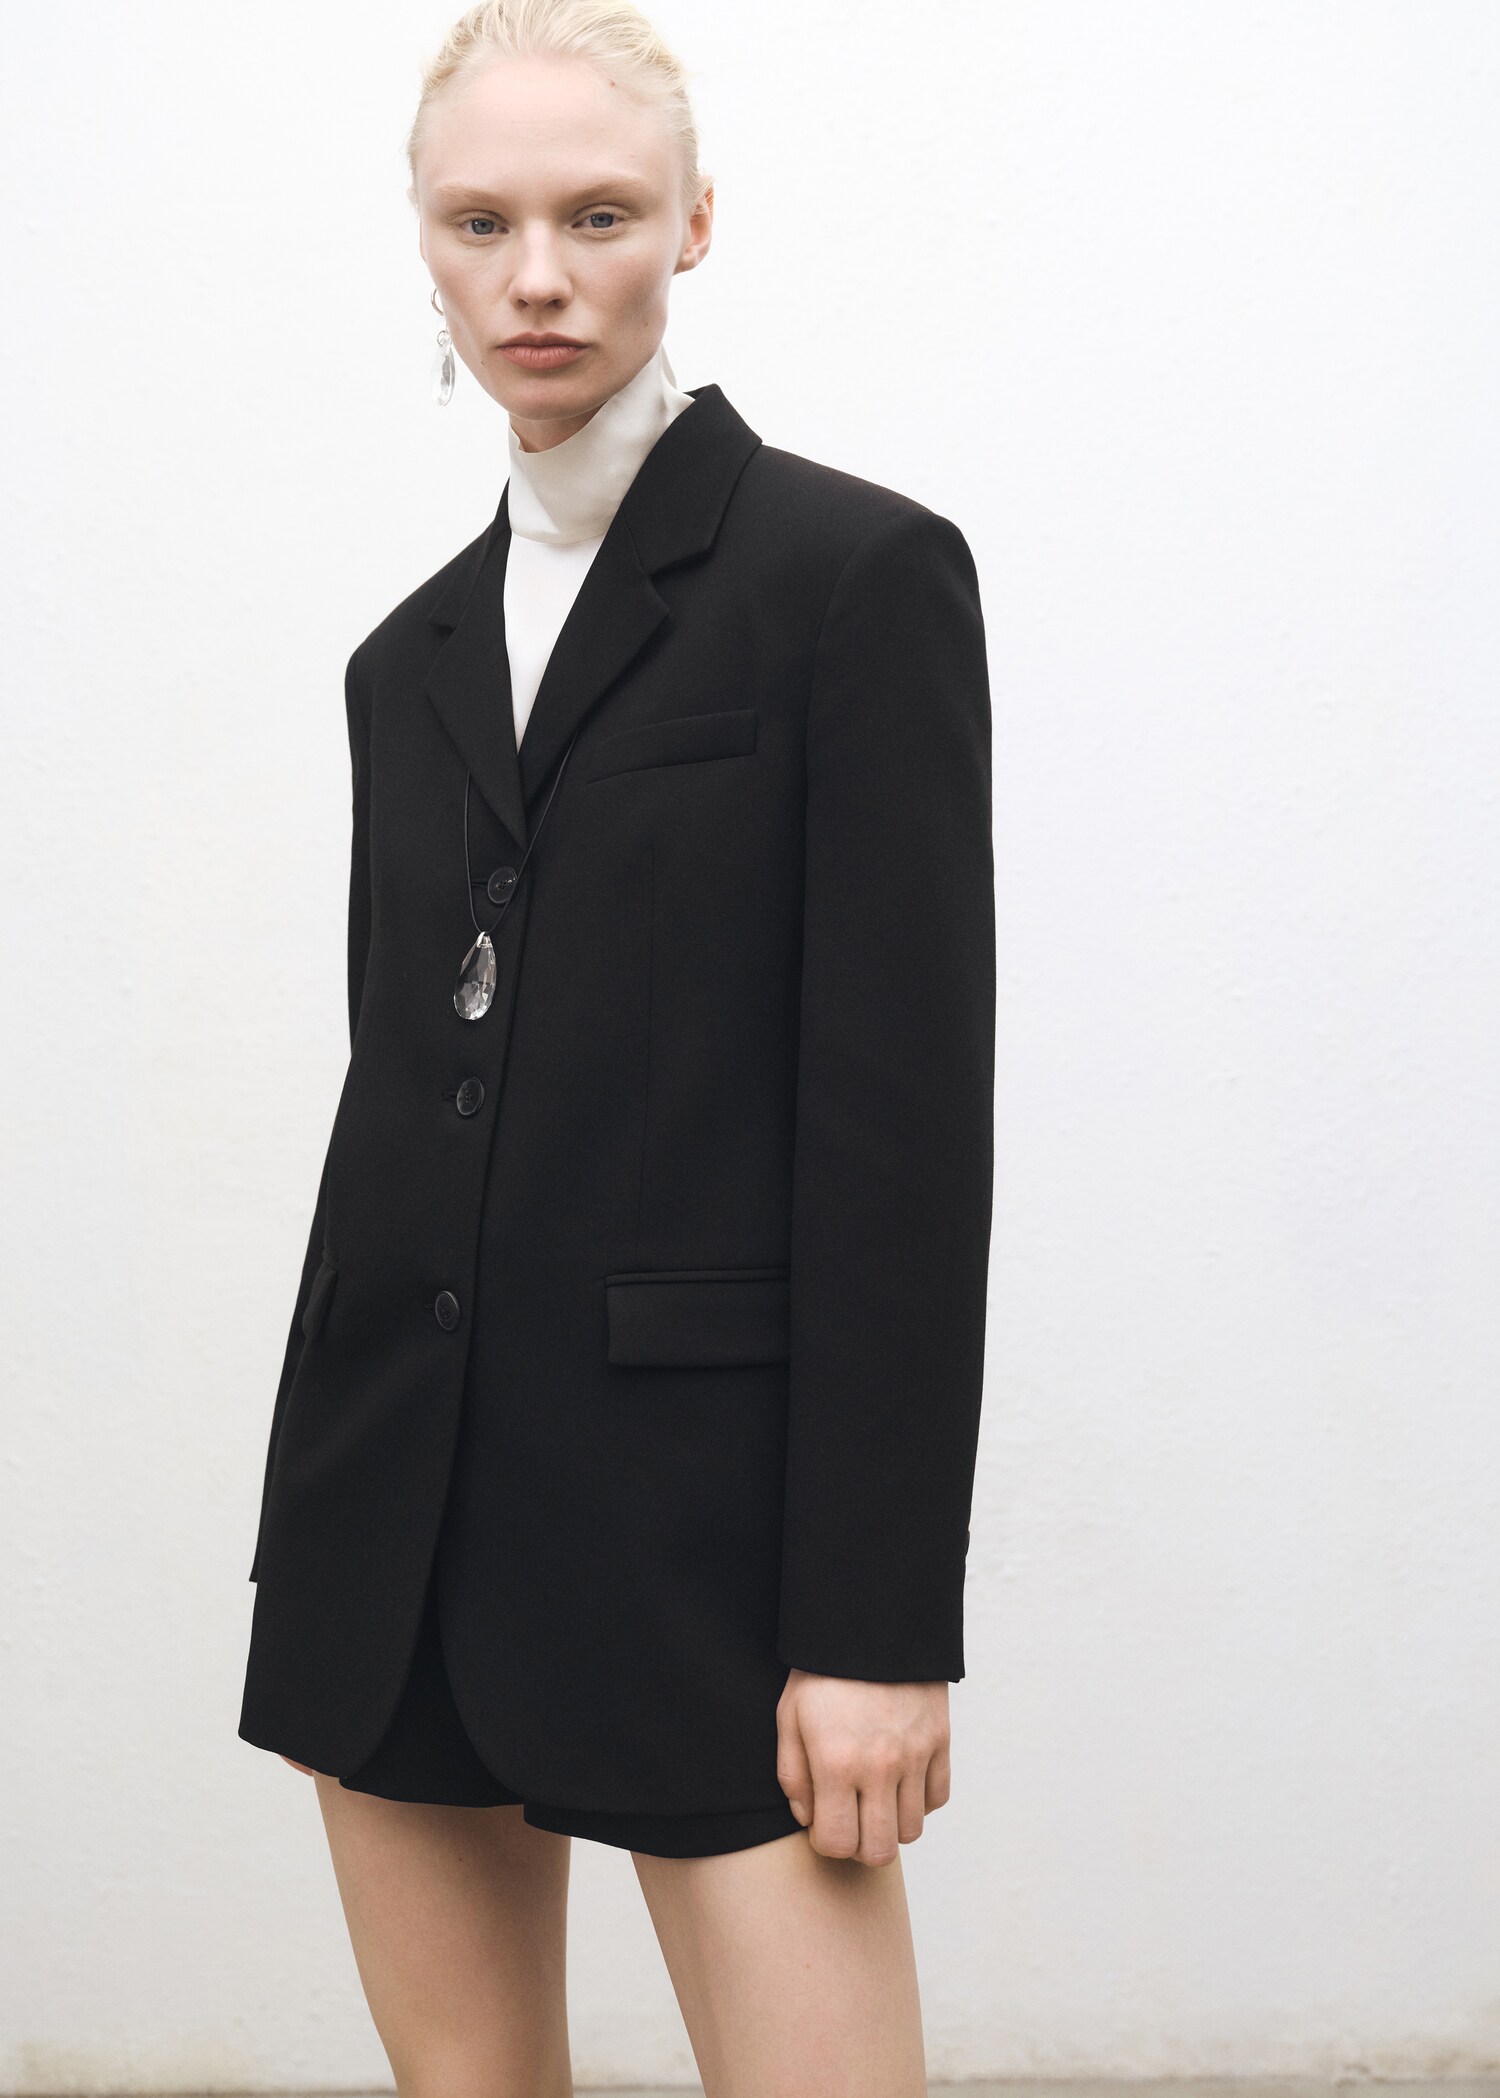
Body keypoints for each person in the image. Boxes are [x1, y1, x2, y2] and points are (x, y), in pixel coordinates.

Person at [237, 0, 995, 2090]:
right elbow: (408, 1091)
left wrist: (875, 1626)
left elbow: (904, 1146)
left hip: (705, 1548)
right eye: (481, 223)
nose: (540, 278)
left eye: (598, 214)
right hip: (390, 1509)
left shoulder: (855, 580)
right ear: (424, 240)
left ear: (694, 223)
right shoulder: (403, 662)